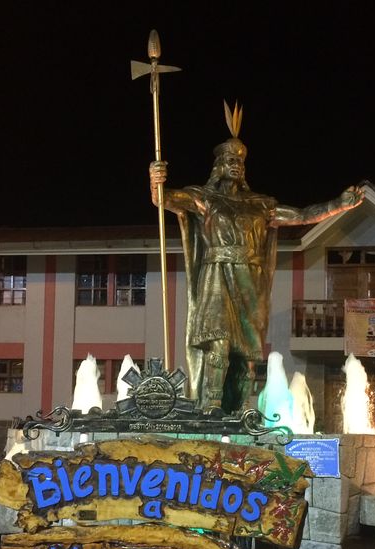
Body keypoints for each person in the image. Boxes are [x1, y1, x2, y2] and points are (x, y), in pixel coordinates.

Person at [150, 103, 363, 413]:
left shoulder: (261, 204)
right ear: (218, 166)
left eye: (239, 160)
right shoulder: (205, 198)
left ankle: (236, 410)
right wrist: (155, 179)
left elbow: (302, 215)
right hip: (216, 274)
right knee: (217, 344)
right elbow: (164, 199)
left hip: (250, 281)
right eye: (229, 159)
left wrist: (338, 204)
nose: (235, 164)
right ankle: (210, 407)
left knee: (246, 357)